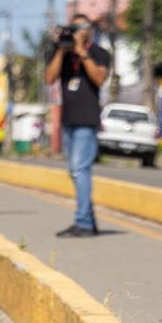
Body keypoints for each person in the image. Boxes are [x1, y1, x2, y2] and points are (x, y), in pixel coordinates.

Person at [45, 13, 111, 238]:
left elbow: (99, 79)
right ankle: (88, 221)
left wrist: (82, 53)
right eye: (73, 29)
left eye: (81, 28)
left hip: (87, 120)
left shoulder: (99, 53)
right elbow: (49, 78)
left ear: (89, 30)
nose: (76, 33)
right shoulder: (62, 53)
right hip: (68, 121)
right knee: (75, 173)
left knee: (79, 170)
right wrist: (62, 51)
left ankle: (83, 223)